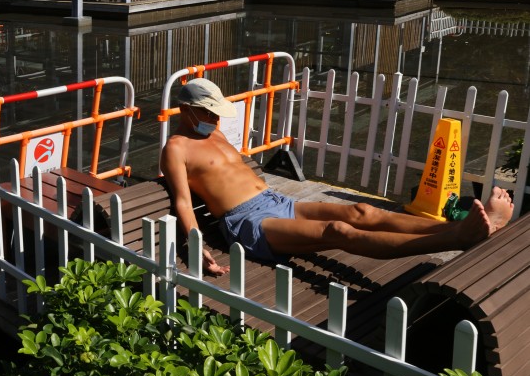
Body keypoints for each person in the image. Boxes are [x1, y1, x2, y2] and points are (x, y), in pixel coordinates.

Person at [160, 77, 515, 277]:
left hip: (275, 201)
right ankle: (454, 239)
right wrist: (195, 242)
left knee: (361, 212)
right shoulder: (176, 147)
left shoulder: (214, 132)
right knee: (338, 232)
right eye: (210, 112)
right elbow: (182, 201)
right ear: (187, 110)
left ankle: (459, 230)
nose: (217, 119)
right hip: (249, 223)